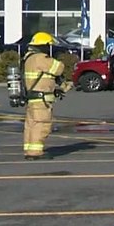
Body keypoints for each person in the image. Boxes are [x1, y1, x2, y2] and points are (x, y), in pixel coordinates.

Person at [22, 31, 72, 160]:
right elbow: (58, 68)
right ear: (43, 45)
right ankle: (35, 153)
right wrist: (57, 57)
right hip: (41, 99)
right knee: (42, 124)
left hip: (33, 98)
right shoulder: (40, 58)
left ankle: (30, 150)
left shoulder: (28, 58)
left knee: (32, 125)